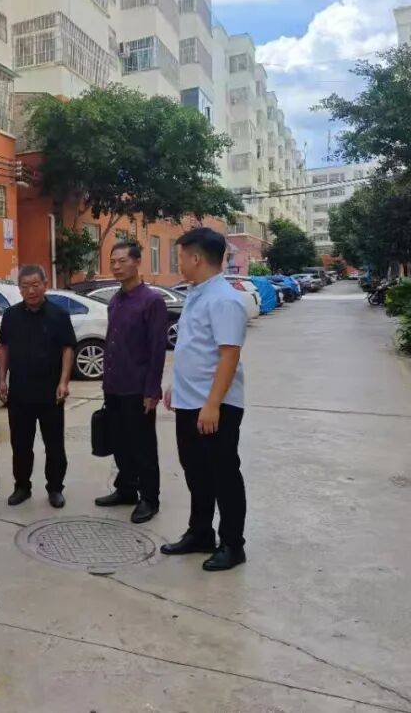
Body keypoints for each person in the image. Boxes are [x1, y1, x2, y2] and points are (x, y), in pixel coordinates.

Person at [162, 227, 249, 572]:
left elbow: (229, 355)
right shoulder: (197, 294)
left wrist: (212, 404)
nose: (179, 263)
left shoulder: (224, 299)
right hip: (190, 401)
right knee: (196, 472)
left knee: (223, 474)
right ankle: (200, 533)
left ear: (196, 258)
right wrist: (176, 386)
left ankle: (233, 545)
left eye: (181, 257)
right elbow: (193, 348)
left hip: (215, 405)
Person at [95, 241, 168, 525]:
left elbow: (157, 350)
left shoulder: (152, 301)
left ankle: (149, 498)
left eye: (122, 261)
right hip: (114, 385)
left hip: (138, 388)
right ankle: (126, 489)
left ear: (137, 262)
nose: (116, 266)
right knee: (120, 442)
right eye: (112, 261)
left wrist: (152, 390)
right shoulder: (116, 300)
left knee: (143, 446)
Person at [0, 265, 76, 508]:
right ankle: (22, 487)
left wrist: (63, 382)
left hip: (51, 393)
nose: (31, 290)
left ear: (44, 285)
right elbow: (4, 348)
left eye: (35, 285)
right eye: (25, 286)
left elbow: (67, 348)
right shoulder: (11, 315)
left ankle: (55, 488)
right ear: (19, 289)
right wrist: (2, 379)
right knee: (20, 445)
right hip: (20, 392)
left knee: (54, 445)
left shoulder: (59, 315)